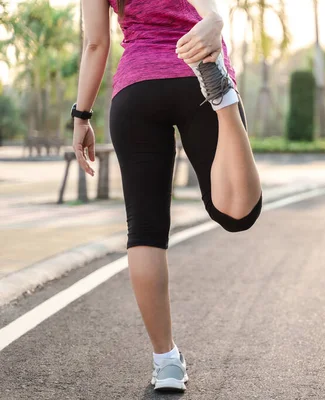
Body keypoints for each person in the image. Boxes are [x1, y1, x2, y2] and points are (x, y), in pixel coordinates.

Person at [71, 0, 263, 392]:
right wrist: (214, 19)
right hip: (195, 69)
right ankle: (222, 100)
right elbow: (206, 10)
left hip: (136, 89)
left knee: (145, 231)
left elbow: (96, 43)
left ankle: (166, 363)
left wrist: (81, 115)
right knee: (238, 213)